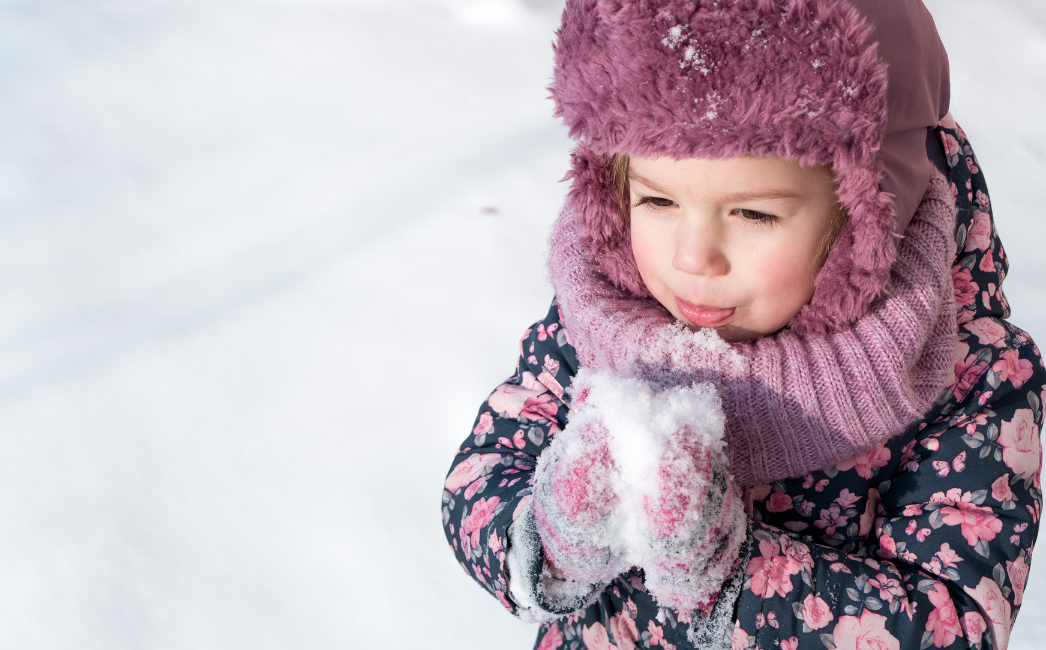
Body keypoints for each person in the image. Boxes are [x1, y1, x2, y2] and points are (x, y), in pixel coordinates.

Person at [441, 1, 1044, 648]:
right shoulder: (600, 321)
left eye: (754, 215)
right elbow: (478, 478)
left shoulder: (967, 376)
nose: (692, 258)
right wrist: (554, 538)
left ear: (870, 216)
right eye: (657, 200)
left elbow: (958, 625)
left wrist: (730, 572)